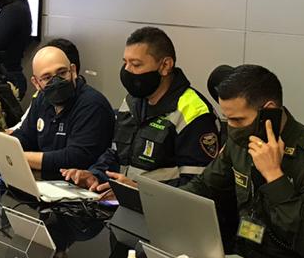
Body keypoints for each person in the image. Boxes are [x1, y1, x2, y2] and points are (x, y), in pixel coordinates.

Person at [184, 65, 304, 258]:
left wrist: (274, 176)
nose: (231, 128)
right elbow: (205, 186)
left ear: (269, 111)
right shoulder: (240, 141)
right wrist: (159, 198)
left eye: (238, 120)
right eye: (227, 119)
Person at [64, 27, 219, 194]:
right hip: (122, 204)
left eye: (136, 64)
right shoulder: (132, 101)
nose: (127, 71)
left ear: (165, 65)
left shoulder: (194, 112)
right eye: (125, 62)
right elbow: (116, 154)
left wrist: (141, 191)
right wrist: (95, 175)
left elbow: (199, 187)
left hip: (163, 212)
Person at [0, 44, 114, 181]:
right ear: (36, 83)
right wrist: (2, 146)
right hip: (45, 181)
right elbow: (26, 136)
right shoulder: (42, 99)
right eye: (47, 78)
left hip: (79, 187)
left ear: (73, 70)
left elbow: (76, 157)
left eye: (62, 73)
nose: (56, 81)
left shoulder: (93, 104)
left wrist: (15, 156)